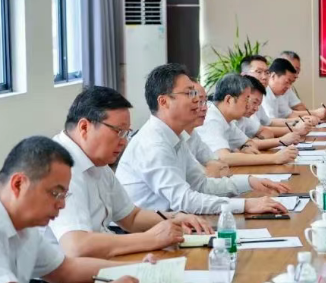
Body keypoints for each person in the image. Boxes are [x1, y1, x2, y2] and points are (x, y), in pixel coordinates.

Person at [0, 137, 147, 283]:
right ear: (18, 184)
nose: (62, 205)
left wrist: (138, 270)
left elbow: (66, 270)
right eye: (55, 193)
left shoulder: (26, 227)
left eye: (65, 195)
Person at [48, 87, 213, 259]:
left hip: (102, 259)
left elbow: (131, 217)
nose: (123, 142)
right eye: (118, 131)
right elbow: (77, 246)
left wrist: (175, 218)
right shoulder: (61, 166)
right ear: (84, 127)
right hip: (71, 272)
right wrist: (150, 239)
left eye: (126, 133)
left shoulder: (97, 160)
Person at [115, 64, 290, 215]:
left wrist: (250, 181)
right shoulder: (154, 144)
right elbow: (184, 200)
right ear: (164, 101)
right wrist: (246, 205)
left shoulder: (176, 135)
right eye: (189, 93)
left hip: (173, 222)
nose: (197, 101)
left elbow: (201, 185)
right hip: (145, 232)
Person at [196, 74, 298, 166]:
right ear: (229, 100)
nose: (248, 105)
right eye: (246, 99)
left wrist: (245, 147)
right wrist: (275, 158)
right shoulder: (211, 119)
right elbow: (224, 158)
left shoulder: (227, 120)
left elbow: (248, 142)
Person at [185, 81, 230, 178]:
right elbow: (201, 177)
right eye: (198, 102)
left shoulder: (192, 133)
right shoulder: (171, 138)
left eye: (205, 102)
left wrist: (212, 170)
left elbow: (222, 165)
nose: (205, 108)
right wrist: (209, 171)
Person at [280, 51, 326, 118]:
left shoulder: (287, 87)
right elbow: (286, 114)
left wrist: (318, 114)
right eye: (293, 70)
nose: (296, 75)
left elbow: (299, 107)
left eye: (297, 71)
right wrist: (316, 113)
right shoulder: (270, 89)